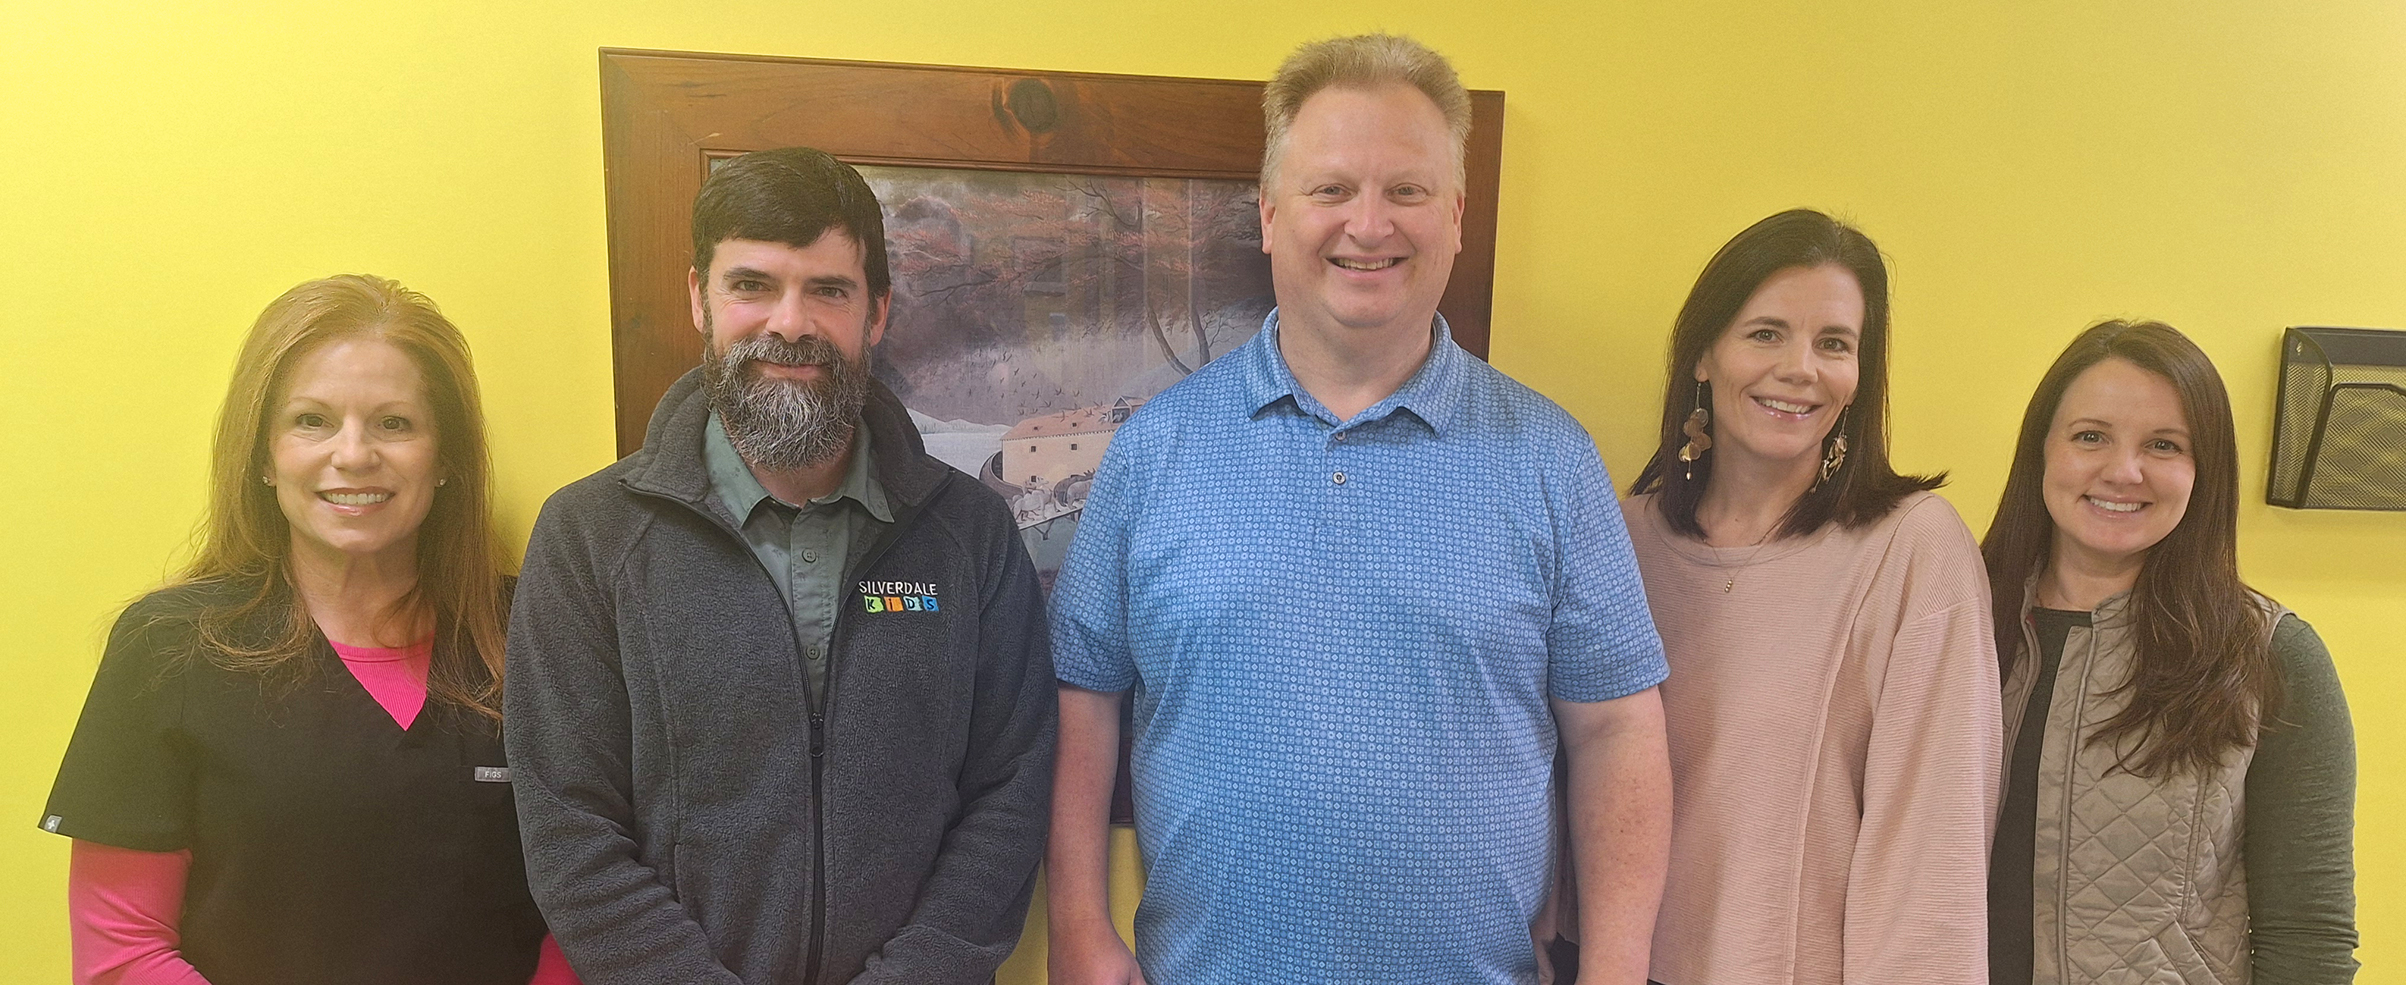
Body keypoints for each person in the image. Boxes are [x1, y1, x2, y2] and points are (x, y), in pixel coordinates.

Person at [1047, 34, 1672, 985]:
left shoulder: (1551, 459)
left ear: (1455, 216)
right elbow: (1084, 693)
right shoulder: (1156, 450)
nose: (1368, 225)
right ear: (1269, 214)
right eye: (1331, 188)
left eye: (1407, 190)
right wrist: (1077, 926)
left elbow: (1617, 728)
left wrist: (1616, 969)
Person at [506, 147, 1055, 985]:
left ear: (877, 312)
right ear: (700, 297)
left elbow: (1009, 793)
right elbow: (569, 827)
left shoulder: (972, 535)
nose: (789, 323)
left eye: (828, 290)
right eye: (752, 285)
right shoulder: (588, 537)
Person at [42, 275, 571, 984]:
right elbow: (123, 953)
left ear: (446, 457)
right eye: (312, 420)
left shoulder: (539, 632)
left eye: (394, 423)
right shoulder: (167, 647)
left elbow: (588, 898)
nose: (353, 455)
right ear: (263, 455)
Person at [1619, 210, 1999, 985]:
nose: (1801, 369)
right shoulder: (1620, 539)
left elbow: (1933, 849)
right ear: (1703, 354)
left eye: (1834, 343)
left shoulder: (1912, 548)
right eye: (1766, 333)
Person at [1982, 320, 2357, 984]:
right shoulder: (1948, 626)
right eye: (2090, 436)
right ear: (2041, 449)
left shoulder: (2271, 656)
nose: (2123, 471)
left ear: (2203, 470)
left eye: (2163, 444)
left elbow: (2309, 937)